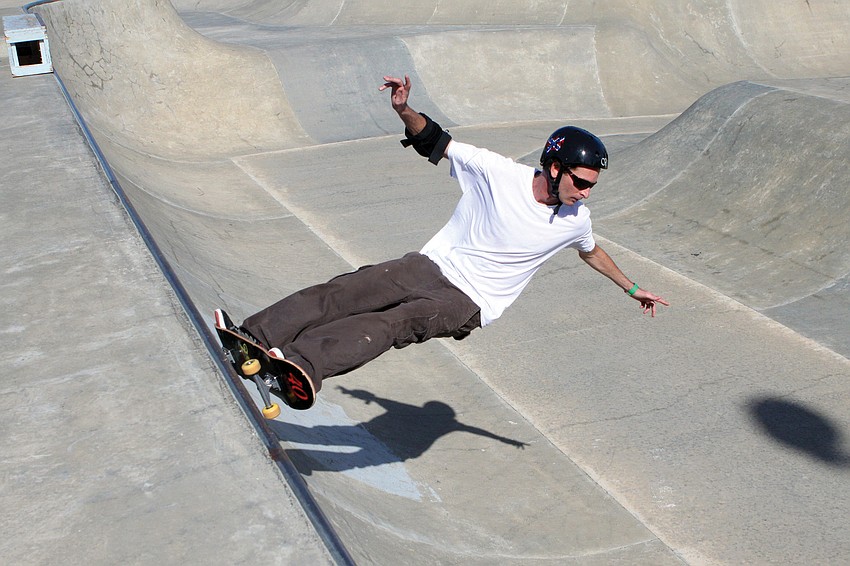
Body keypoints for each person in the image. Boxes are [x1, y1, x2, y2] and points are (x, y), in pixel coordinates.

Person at [220, 74, 669, 396]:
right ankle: (255, 335)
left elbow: (592, 253)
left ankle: (300, 366)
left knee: (390, 323)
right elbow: (436, 141)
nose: (586, 193)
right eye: (581, 182)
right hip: (430, 265)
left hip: (469, 301)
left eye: (591, 185)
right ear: (554, 168)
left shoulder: (577, 220)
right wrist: (402, 109)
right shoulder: (499, 172)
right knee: (345, 291)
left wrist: (631, 288)